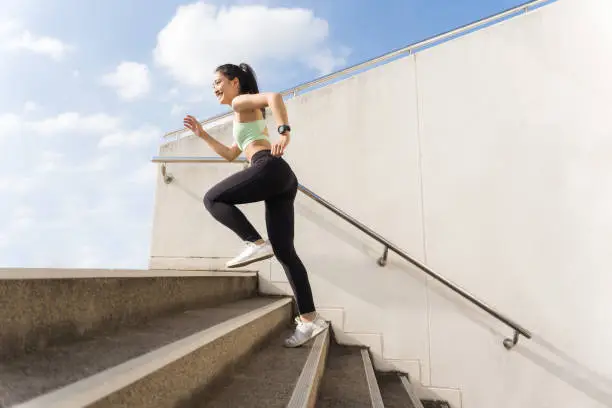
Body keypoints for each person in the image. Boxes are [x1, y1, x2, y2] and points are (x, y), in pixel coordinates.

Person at [183, 63, 327, 348]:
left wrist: (284, 132)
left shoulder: (239, 102)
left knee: (212, 198)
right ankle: (310, 320)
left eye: (218, 82)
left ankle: (254, 241)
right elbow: (229, 154)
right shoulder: (243, 115)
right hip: (282, 178)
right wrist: (203, 135)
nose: (215, 88)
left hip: (268, 167)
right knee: (286, 252)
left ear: (235, 82)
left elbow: (274, 97)